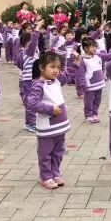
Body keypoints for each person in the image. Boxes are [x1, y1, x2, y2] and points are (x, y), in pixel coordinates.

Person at [27, 51, 80, 189]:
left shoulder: (56, 80)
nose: (56, 70)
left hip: (60, 127)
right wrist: (50, 109)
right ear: (41, 67)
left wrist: (76, 63)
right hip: (47, 129)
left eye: (58, 67)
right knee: (45, 154)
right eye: (52, 67)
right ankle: (46, 176)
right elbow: (32, 103)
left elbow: (68, 75)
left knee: (58, 152)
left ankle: (55, 172)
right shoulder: (38, 85)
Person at [16, 22, 43, 132]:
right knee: (32, 102)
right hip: (29, 80)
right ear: (27, 43)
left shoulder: (27, 53)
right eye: (31, 42)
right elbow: (33, 43)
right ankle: (32, 123)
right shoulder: (28, 52)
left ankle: (28, 123)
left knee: (29, 101)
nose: (34, 43)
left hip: (29, 80)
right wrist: (37, 29)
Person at [76, 38, 106, 123]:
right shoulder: (83, 60)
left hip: (99, 84)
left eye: (95, 47)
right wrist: (82, 84)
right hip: (89, 86)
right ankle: (88, 115)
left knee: (97, 101)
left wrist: (103, 76)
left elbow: (101, 67)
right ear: (85, 48)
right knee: (89, 102)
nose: (94, 48)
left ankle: (95, 113)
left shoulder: (97, 57)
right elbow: (81, 73)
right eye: (92, 47)